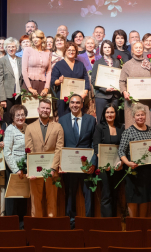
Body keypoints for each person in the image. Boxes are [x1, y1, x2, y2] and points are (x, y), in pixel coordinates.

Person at [59, 94, 97, 227]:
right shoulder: (61, 120)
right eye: (72, 102)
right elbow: (60, 143)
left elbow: (94, 142)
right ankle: (71, 224)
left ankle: (89, 223)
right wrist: (60, 163)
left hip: (87, 166)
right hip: (68, 166)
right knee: (70, 196)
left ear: (82, 104)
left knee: (89, 196)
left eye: (78, 103)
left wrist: (93, 163)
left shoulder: (91, 120)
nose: (75, 105)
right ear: (69, 104)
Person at [119, 103, 151, 217]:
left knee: (145, 198)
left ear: (146, 116)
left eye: (142, 115)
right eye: (138, 115)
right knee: (133, 198)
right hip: (133, 170)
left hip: (148, 170)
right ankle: (133, 225)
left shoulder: (150, 131)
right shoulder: (128, 132)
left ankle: (142, 225)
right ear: (134, 117)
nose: (140, 117)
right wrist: (128, 163)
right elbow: (121, 151)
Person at [25, 99, 63, 217]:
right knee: (36, 202)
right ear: (38, 109)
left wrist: (53, 168)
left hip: (52, 171)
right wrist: (31, 170)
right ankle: (37, 230)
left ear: (50, 110)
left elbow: (59, 149)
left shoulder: (57, 127)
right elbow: (29, 150)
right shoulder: (30, 128)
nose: (45, 110)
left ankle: (51, 230)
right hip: (35, 172)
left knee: (52, 201)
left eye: (47, 108)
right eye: (43, 108)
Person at [92, 105, 124, 217]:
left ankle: (114, 223)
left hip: (117, 166)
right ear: (104, 114)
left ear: (116, 114)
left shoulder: (121, 127)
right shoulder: (100, 127)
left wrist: (122, 162)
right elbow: (96, 146)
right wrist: (104, 162)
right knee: (106, 195)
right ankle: (107, 224)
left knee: (115, 195)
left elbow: (123, 146)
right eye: (107, 112)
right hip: (104, 167)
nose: (109, 115)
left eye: (112, 112)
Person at [3, 104, 30, 225]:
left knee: (23, 199)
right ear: (12, 117)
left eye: (22, 115)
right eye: (17, 115)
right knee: (13, 200)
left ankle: (22, 226)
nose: (20, 117)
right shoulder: (10, 130)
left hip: (24, 169)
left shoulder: (27, 127)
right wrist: (15, 169)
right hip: (14, 170)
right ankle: (12, 227)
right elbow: (7, 152)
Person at [51, 41, 92, 118]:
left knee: (78, 120)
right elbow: (53, 81)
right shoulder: (58, 65)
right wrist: (59, 81)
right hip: (64, 99)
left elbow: (86, 80)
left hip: (78, 98)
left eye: (73, 50)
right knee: (64, 121)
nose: (71, 52)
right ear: (65, 51)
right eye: (69, 50)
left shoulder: (80, 64)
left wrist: (84, 93)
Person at [119, 41, 151, 127]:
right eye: (136, 48)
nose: (138, 49)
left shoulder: (148, 64)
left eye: (140, 48)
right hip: (131, 102)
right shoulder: (127, 65)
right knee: (131, 127)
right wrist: (124, 92)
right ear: (132, 50)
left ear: (143, 49)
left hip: (146, 102)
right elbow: (122, 81)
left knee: (146, 126)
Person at [91, 40, 122, 123]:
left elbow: (119, 78)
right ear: (102, 49)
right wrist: (105, 89)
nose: (107, 49)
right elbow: (93, 80)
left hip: (114, 96)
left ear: (112, 49)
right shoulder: (97, 63)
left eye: (109, 47)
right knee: (101, 120)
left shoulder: (117, 62)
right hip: (102, 96)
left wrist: (117, 87)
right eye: (105, 47)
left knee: (115, 120)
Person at [0, 37, 24, 125]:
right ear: (5, 48)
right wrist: (2, 99)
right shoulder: (1, 61)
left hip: (19, 95)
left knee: (19, 118)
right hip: (7, 96)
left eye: (13, 47)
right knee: (8, 119)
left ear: (16, 48)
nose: (11, 49)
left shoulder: (21, 60)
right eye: (9, 47)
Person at [22, 30, 53, 99]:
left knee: (43, 108)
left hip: (43, 84)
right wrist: (29, 87)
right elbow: (24, 70)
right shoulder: (27, 50)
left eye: (37, 37)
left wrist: (46, 88)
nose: (35, 39)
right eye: (33, 38)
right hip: (30, 83)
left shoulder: (48, 52)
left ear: (42, 39)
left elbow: (48, 71)